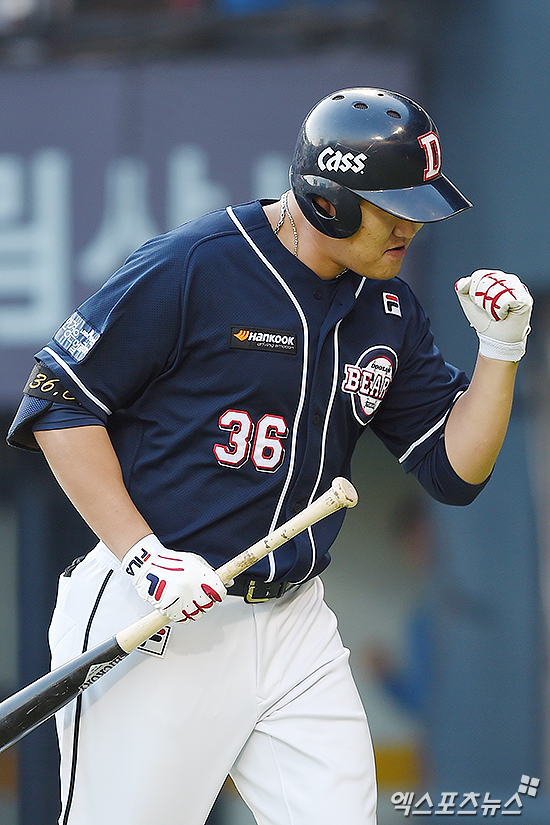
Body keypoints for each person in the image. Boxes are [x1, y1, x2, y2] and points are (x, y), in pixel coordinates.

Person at [7, 87, 532, 825]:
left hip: (295, 623)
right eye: (393, 207)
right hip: (159, 613)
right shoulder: (196, 263)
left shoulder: (388, 308)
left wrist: (500, 352)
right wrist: (143, 556)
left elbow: (454, 473)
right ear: (327, 202)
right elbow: (59, 403)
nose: (411, 226)